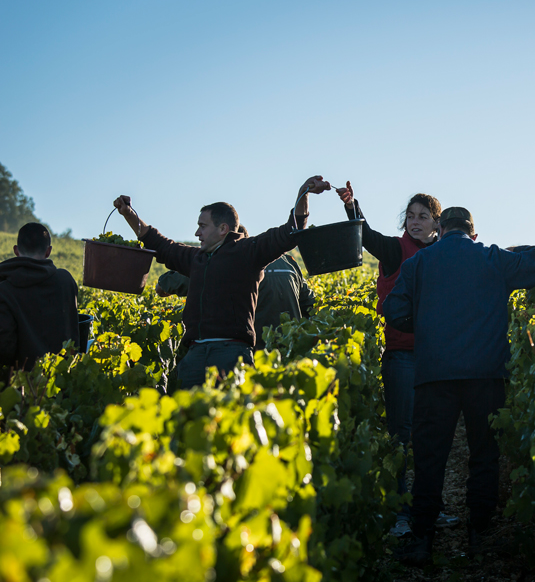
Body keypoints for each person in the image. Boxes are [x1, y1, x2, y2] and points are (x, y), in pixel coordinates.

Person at [383, 207, 535, 564]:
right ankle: (479, 535)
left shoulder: (419, 264)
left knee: (430, 459)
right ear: (473, 233)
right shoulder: (492, 258)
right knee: (484, 454)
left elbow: (394, 310)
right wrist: (509, 251)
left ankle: (423, 541)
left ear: (441, 229)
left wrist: (429, 326)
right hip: (486, 373)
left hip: (434, 374)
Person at [112, 175, 330, 389]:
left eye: (202, 226)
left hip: (231, 355)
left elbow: (291, 231)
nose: (197, 233)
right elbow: (159, 244)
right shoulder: (195, 259)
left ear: (223, 229)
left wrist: (303, 193)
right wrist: (129, 214)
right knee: (190, 422)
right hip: (195, 356)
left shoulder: (249, 252)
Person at [334, 181, 458, 538]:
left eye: (423, 217)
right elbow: (366, 235)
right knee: (400, 436)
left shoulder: (444, 253)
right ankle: (399, 512)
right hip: (402, 355)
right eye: (410, 216)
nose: (415, 222)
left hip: (436, 357)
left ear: (437, 225)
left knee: (431, 437)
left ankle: (431, 508)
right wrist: (351, 205)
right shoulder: (394, 249)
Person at [154, 226, 316, 350]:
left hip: (248, 353)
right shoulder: (288, 262)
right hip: (291, 350)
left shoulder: (218, 262)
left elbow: (162, 287)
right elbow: (310, 305)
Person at [0, 223, 80, 374]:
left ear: (16, 250)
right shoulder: (65, 281)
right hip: (66, 382)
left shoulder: (4, 291)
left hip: (24, 388)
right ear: (48, 251)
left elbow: (4, 349)